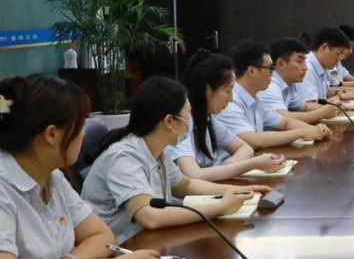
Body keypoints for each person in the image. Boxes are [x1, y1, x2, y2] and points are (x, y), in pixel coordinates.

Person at [0, 75, 161, 259]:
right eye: (81, 123)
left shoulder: (52, 176)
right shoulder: (4, 186)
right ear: (51, 134)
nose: (84, 133)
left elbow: (101, 236)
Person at [83, 77, 273, 244]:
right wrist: (221, 207)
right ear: (169, 121)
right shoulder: (124, 157)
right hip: (120, 251)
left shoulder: (156, 150)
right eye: (187, 114)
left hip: (147, 242)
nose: (190, 119)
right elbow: (151, 217)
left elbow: (185, 185)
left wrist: (239, 191)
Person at [169, 50, 287, 181]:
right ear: (207, 90)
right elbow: (194, 175)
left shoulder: (207, 118)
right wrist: (253, 164)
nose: (230, 99)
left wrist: (231, 164)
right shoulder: (181, 123)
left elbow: (245, 147)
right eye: (227, 91)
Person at [216, 41, 332, 150]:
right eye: (270, 68)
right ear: (252, 71)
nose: (273, 74)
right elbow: (253, 140)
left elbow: (285, 123)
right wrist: (301, 133)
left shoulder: (255, 100)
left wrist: (313, 129)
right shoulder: (229, 101)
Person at [258, 39, 341, 125]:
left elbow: (304, 107)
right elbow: (283, 118)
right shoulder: (270, 86)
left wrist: (332, 107)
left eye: (304, 61)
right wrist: (321, 113)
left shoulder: (289, 84)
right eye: (300, 61)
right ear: (281, 64)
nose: (305, 68)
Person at [300, 27, 354, 103]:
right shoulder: (307, 69)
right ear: (324, 48)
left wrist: (341, 93)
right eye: (338, 54)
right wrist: (340, 97)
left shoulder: (322, 67)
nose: (339, 59)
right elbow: (310, 105)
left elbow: (328, 92)